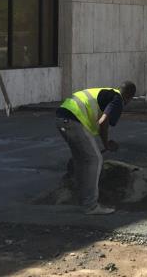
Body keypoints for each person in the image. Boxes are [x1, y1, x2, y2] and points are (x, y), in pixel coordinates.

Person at [55, 81, 137, 215]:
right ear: (129, 96)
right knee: (95, 160)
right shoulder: (118, 100)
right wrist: (106, 144)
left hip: (62, 118)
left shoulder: (108, 93)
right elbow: (103, 122)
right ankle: (90, 206)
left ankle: (82, 200)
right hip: (72, 120)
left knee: (82, 160)